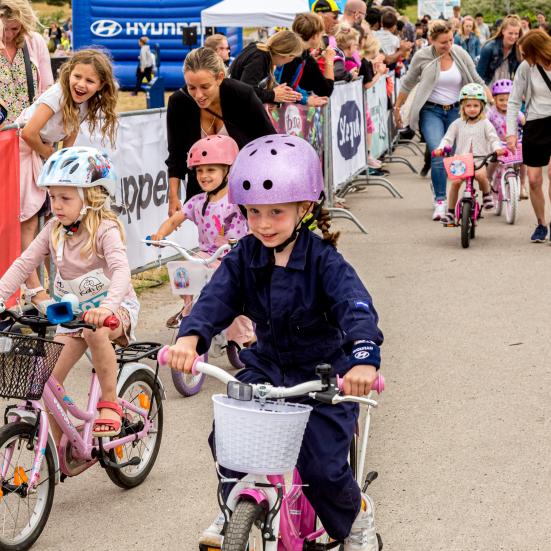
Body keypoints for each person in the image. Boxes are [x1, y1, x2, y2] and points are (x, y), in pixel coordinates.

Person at [165, 134, 384, 551]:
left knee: (322, 469)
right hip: (267, 367)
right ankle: (235, 505)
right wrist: (191, 338)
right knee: (229, 437)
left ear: (304, 209)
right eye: (253, 213)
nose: (263, 224)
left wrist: (362, 360)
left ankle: (357, 517)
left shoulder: (324, 261)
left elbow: (356, 308)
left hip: (322, 378)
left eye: (276, 213)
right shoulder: (245, 255)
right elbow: (215, 298)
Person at [0, 147, 140, 438]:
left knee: (96, 332)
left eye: (66, 198)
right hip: (75, 314)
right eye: (53, 197)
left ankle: (110, 403)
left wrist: (109, 307)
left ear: (91, 197)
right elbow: (25, 263)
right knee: (47, 381)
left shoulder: (105, 228)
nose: (57, 205)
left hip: (115, 309)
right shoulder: (54, 228)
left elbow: (121, 271)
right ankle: (60, 447)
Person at [15, 49, 118, 308]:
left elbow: (69, 138)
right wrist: (53, 158)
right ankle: (34, 289)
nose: (81, 84)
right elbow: (28, 133)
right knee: (27, 221)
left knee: (58, 216)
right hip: (23, 150)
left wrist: (63, 163)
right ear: (68, 73)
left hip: (43, 152)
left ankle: (60, 282)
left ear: (101, 85)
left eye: (90, 81)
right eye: (77, 76)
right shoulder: (57, 94)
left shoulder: (84, 103)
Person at [150, 135, 254, 345]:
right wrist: (160, 234)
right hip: (208, 255)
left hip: (236, 257)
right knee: (183, 271)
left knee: (236, 296)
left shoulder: (238, 200)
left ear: (227, 171)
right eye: (199, 171)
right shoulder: (197, 201)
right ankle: (190, 310)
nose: (204, 176)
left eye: (211, 170)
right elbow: (174, 220)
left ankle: (248, 338)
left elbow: (255, 218)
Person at [393, 20, 490, 221]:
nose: (448, 45)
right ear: (432, 40)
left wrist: (491, 99)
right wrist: (397, 107)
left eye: (451, 40)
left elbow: (476, 79)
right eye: (443, 42)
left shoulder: (460, 54)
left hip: (458, 110)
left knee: (456, 156)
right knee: (439, 152)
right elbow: (408, 83)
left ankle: (464, 197)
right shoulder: (422, 57)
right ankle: (440, 200)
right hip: (431, 111)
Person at [166, 47, 275, 215]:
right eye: (191, 87)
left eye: (205, 86)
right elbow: (176, 155)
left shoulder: (242, 95)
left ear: (220, 78)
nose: (198, 95)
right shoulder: (179, 103)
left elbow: (269, 141)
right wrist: (173, 196)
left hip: (248, 190)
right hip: (206, 197)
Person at [434, 83, 505, 225]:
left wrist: (497, 148)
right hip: (461, 160)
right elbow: (448, 139)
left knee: (480, 175)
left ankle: (486, 195)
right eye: (468, 106)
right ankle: (450, 212)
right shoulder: (457, 124)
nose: (472, 109)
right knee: (455, 183)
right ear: (463, 107)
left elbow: (493, 139)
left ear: (482, 107)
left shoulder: (485, 123)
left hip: (479, 160)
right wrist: (441, 148)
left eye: (476, 106)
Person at [506, 30, 551, 243]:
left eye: (526, 53)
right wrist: (511, 134)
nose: (523, 58)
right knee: (534, 180)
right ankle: (541, 223)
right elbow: (514, 101)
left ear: (537, 51)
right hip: (535, 124)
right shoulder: (526, 68)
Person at [0, 0, 53, 125]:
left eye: (15, 28)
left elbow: (48, 89)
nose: (8, 34)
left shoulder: (35, 41)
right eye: (4, 28)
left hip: (30, 131)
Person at [229, 30, 303, 105]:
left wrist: (278, 95)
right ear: (287, 55)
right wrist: (273, 95)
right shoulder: (259, 58)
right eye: (293, 57)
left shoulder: (262, 51)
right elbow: (245, 91)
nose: (291, 60)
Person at [486, 79, 527, 199]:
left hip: (515, 143)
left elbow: (524, 122)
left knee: (523, 161)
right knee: (494, 160)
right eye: (501, 100)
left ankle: (522, 185)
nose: (505, 103)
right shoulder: (491, 113)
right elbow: (485, 124)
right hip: (498, 143)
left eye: (508, 99)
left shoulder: (516, 113)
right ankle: (488, 178)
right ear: (495, 100)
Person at [280, 12, 334, 101]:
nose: (321, 38)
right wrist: (329, 61)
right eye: (321, 35)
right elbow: (326, 90)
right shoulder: (299, 56)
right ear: (314, 36)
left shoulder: (296, 51)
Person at [476, 14, 522, 85]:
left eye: (516, 34)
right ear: (503, 31)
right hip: (489, 88)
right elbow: (479, 75)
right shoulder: (489, 48)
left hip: (507, 90)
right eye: (510, 33)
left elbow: (518, 76)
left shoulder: (517, 49)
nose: (513, 37)